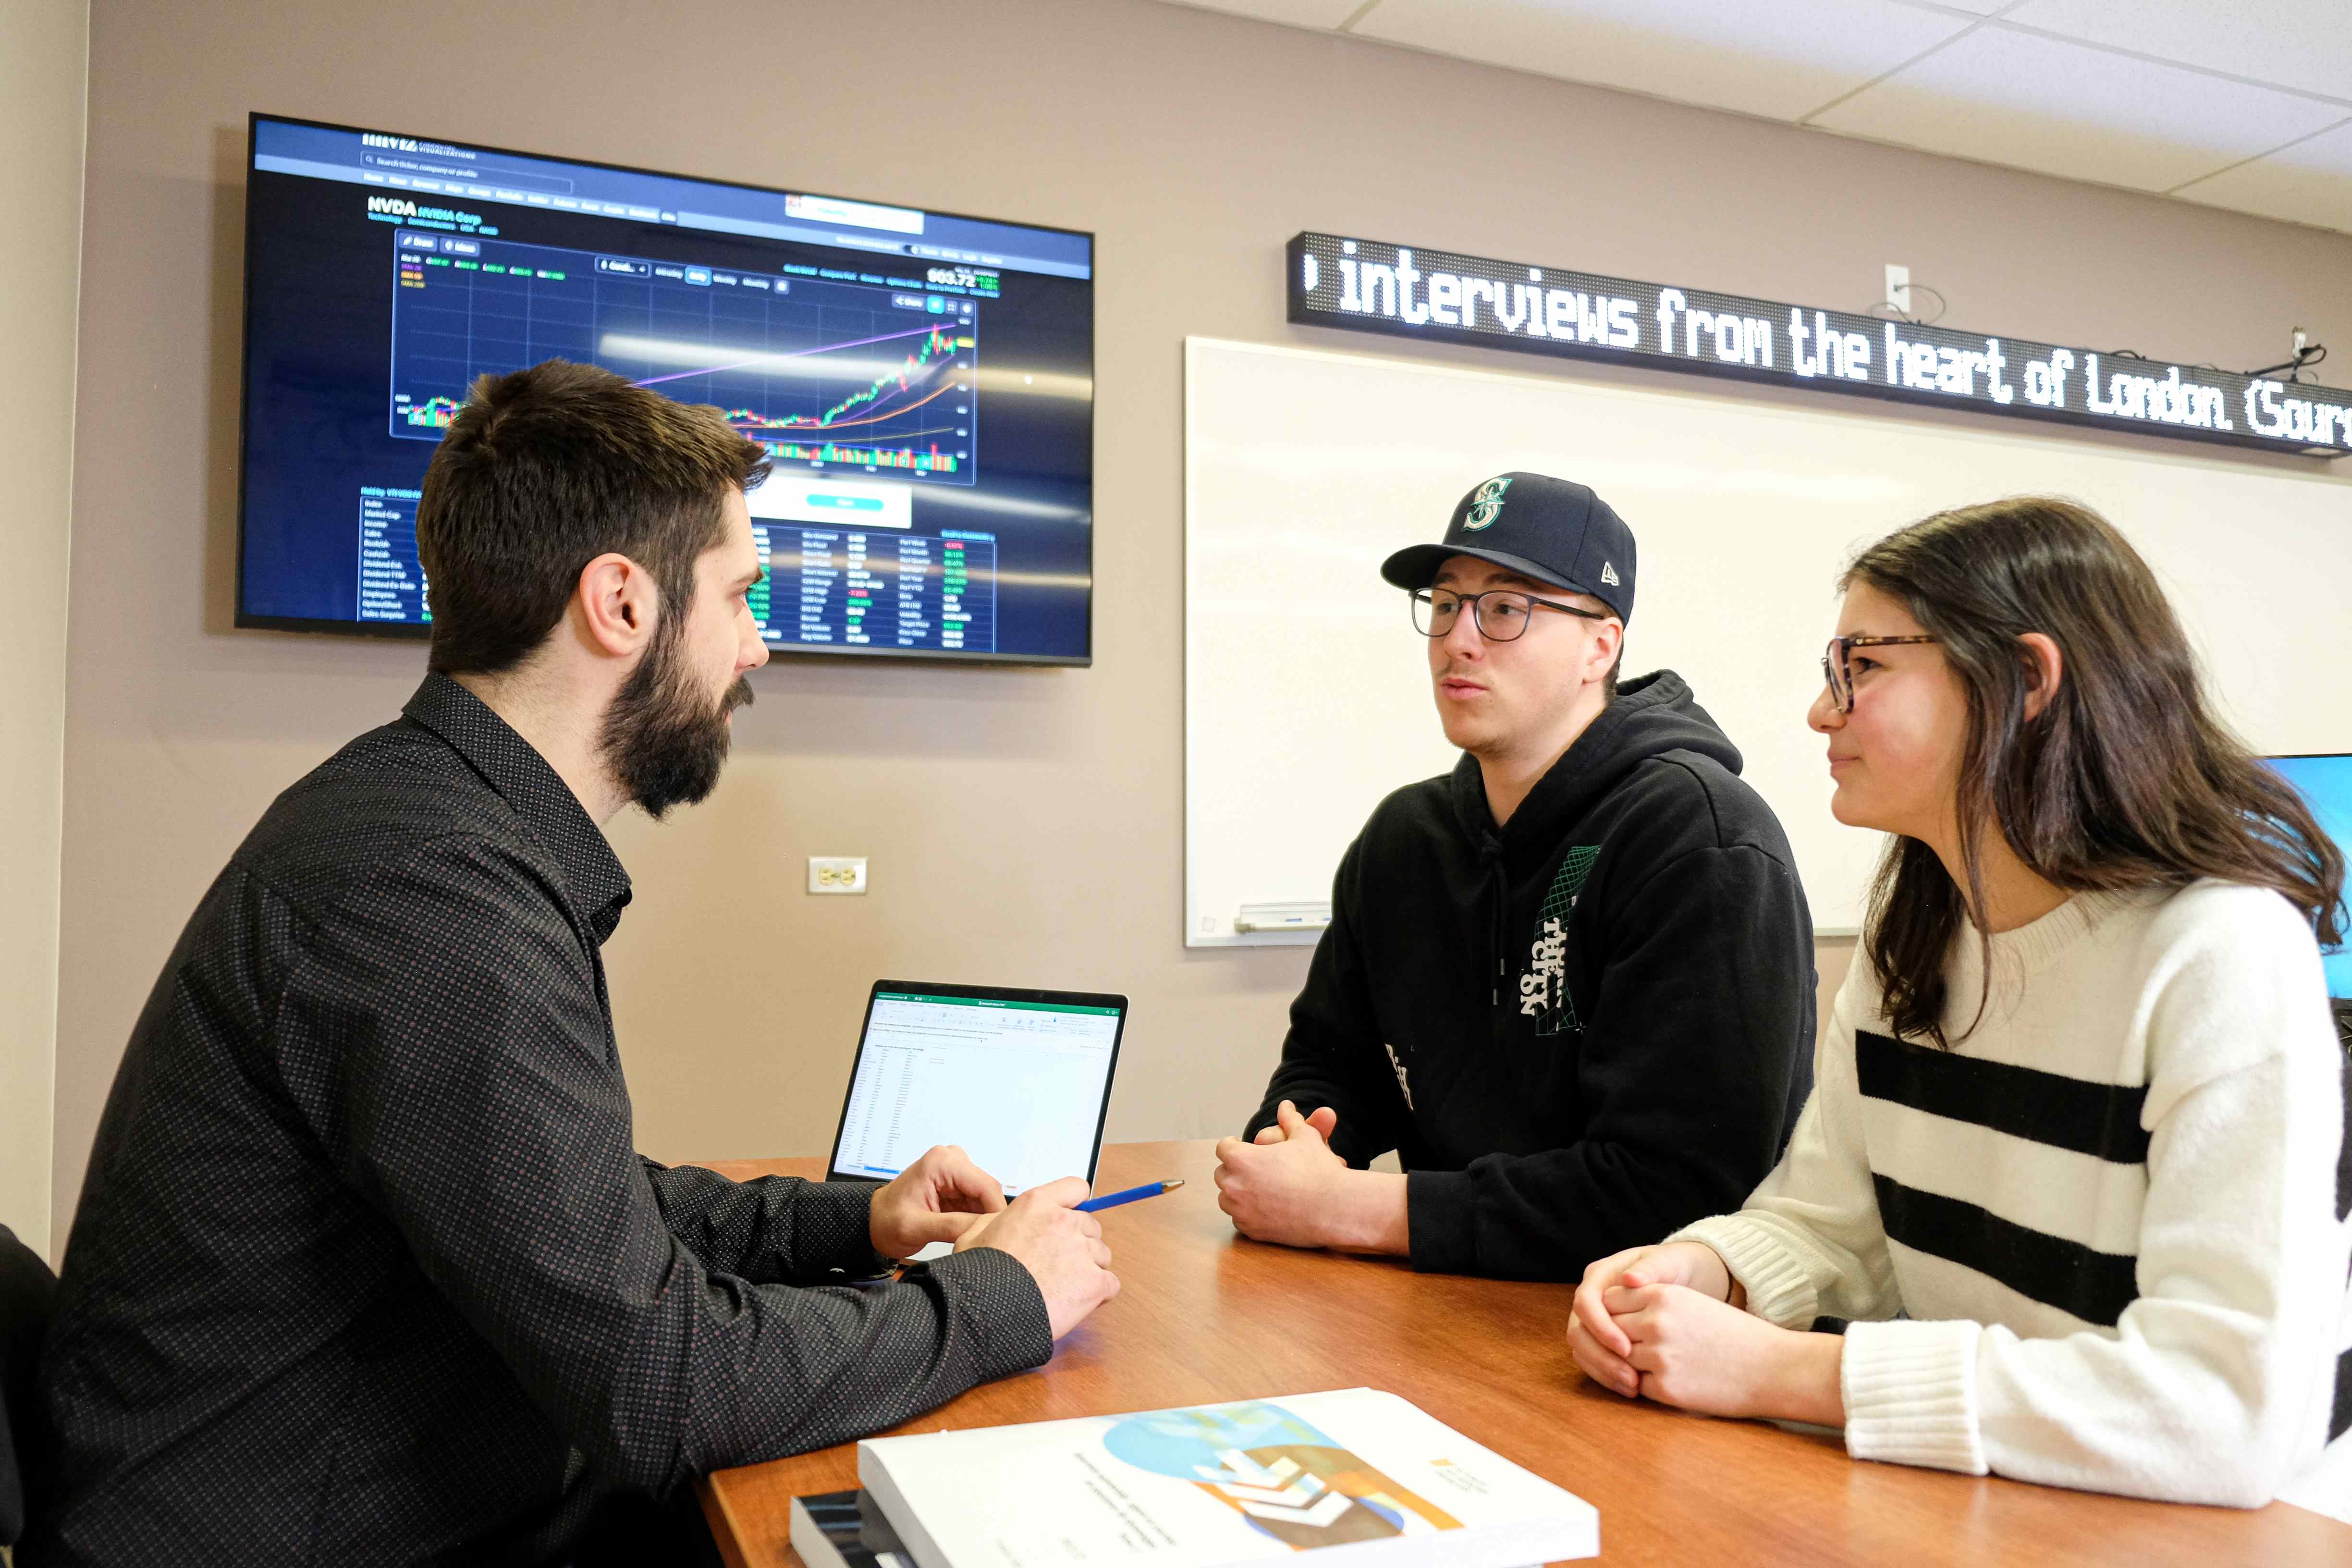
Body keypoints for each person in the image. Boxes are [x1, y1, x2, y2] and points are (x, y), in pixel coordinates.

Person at [26, 361, 1117, 1565]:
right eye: (740, 596)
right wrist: (1000, 1300)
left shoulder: (423, 827)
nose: (757, 648)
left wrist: (855, 1225)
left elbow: (579, 1213)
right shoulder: (430, 892)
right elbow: (663, 1390)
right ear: (622, 604)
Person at [1568, 497, 2352, 1516]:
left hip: (2235, 1528)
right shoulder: (1918, 916)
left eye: (1865, 665)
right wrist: (1701, 1273)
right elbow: (1834, 1224)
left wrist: (1780, 1372)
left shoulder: (2220, 951)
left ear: (2025, 680)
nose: (1823, 709)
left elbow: (2220, 1413)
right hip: (2004, 1497)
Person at [1214, 472, 1816, 1280]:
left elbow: (1680, 1191)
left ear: (1601, 646)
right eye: (1445, 604)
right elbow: (1333, 1061)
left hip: (1647, 1331)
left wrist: (1347, 1208)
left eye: (1504, 608)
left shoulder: (1699, 840)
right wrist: (1296, 1150)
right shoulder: (1404, 838)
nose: (1459, 638)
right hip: (1448, 1307)